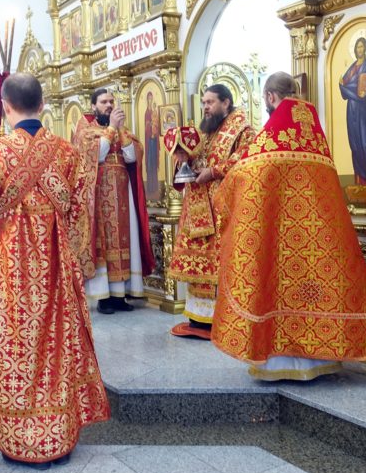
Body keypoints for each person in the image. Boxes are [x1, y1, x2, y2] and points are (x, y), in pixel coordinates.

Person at [0, 73, 110, 468]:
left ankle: (18, 439)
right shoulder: (67, 154)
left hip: (7, 271)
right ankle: (57, 434)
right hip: (56, 268)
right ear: (42, 105)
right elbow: (79, 215)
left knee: (13, 348)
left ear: (6, 107)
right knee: (57, 346)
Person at [211, 72, 366, 381]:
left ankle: (281, 364)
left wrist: (224, 191)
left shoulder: (275, 129)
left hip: (278, 233)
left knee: (277, 289)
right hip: (318, 234)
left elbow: (245, 174)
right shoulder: (313, 128)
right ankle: (318, 361)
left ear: (270, 97)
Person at [167, 84, 256, 340]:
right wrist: (183, 159)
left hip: (222, 209)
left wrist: (214, 172)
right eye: (204, 102)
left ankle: (221, 316)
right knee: (199, 264)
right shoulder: (205, 132)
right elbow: (195, 159)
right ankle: (198, 316)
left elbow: (246, 160)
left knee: (220, 262)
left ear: (226, 103)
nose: (205, 107)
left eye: (210, 102)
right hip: (197, 207)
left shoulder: (244, 131)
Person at [72, 89, 155, 314]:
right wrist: (111, 129)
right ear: (94, 106)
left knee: (125, 239)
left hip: (123, 194)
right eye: (103, 102)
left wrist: (120, 130)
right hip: (99, 195)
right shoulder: (85, 130)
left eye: (111, 101)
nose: (108, 105)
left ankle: (120, 296)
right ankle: (104, 298)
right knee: (104, 243)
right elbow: (96, 155)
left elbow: (132, 156)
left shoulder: (122, 130)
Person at [339, 37, 366, 187]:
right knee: (354, 144)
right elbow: (344, 85)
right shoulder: (352, 68)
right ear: (355, 50)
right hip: (351, 110)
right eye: (358, 47)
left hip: (363, 111)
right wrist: (341, 84)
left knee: (364, 144)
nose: (360, 49)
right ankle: (358, 182)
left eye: (362, 46)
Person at [144, 91, 160, 197]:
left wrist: (155, 125)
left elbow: (158, 124)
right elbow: (146, 127)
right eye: (148, 98)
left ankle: (155, 186)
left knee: (154, 162)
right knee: (150, 163)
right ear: (147, 100)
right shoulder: (147, 112)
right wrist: (150, 125)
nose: (150, 100)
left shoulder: (154, 111)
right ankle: (150, 187)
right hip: (149, 140)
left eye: (151, 98)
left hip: (154, 140)